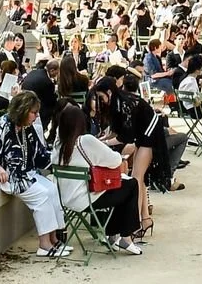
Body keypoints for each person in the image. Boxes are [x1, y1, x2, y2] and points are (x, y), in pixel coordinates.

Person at [0, 91, 70, 258]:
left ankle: (53, 238)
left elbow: (39, 153)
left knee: (51, 189)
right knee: (42, 196)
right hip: (11, 177)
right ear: (23, 110)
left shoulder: (26, 127)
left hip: (26, 173)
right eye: (33, 112)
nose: (36, 116)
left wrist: (60, 159)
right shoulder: (2, 126)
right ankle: (44, 244)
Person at [53, 100, 143, 254]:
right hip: (87, 200)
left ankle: (114, 235)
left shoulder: (58, 144)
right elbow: (115, 160)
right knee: (131, 185)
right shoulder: (85, 141)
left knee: (123, 186)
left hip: (65, 200)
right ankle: (125, 237)